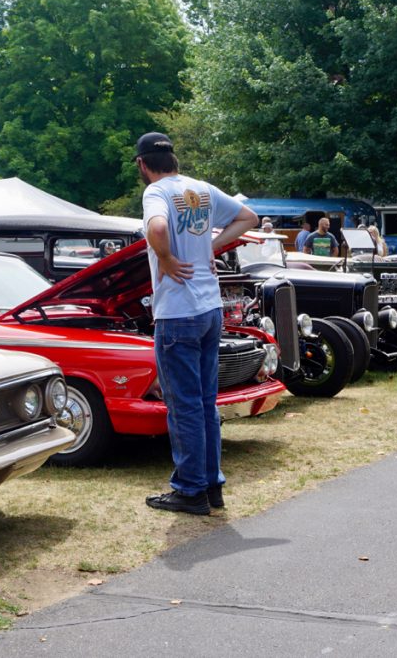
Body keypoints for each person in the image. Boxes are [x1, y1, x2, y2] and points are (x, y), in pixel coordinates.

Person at [136, 132, 258, 515]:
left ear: (143, 164)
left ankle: (190, 490)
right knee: (206, 403)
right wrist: (212, 246)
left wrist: (168, 259)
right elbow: (248, 218)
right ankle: (211, 486)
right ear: (174, 158)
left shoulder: (155, 193)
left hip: (177, 312)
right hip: (209, 308)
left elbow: (157, 229)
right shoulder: (200, 189)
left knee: (184, 405)